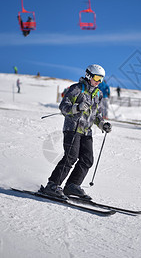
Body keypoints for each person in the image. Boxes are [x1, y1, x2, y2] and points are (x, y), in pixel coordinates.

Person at [43, 64, 112, 200]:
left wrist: (103, 124)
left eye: (101, 79)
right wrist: (77, 107)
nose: (98, 82)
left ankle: (72, 185)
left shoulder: (98, 94)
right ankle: (52, 184)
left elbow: (96, 114)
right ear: (89, 75)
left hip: (86, 132)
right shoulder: (76, 89)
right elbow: (63, 107)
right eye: (97, 78)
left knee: (87, 160)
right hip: (72, 128)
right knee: (71, 157)